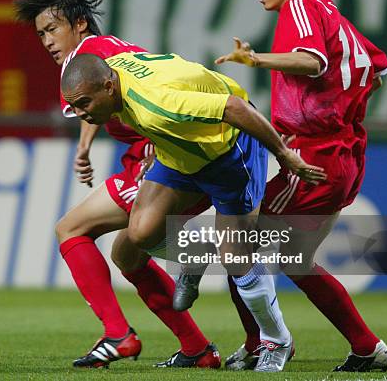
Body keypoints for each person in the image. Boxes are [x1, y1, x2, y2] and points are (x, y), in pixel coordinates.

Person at [61, 51, 327, 371]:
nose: (80, 113)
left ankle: (277, 339)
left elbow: (234, 107)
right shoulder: (114, 70)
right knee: (141, 231)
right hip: (179, 154)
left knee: (236, 259)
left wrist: (284, 154)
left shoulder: (157, 104)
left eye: (84, 104)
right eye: (73, 106)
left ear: (108, 87)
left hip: (228, 152)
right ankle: (194, 251)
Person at [14, 0, 220, 369]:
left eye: (53, 29)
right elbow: (106, 98)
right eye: (41, 34)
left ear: (79, 23)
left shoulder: (83, 61)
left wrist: (159, 144)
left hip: (165, 156)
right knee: (128, 255)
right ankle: (198, 349)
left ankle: (118, 334)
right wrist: (85, 144)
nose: (47, 41)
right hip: (179, 151)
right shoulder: (103, 51)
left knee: (70, 229)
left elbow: (145, 100)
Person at [207, 0, 387, 372]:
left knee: (237, 244)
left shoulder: (302, 5)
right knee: (297, 259)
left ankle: (265, 343)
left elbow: (312, 61)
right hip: (343, 153)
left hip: (316, 155)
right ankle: (365, 346)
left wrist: (255, 59)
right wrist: (340, 108)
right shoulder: (332, 13)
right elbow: (378, 71)